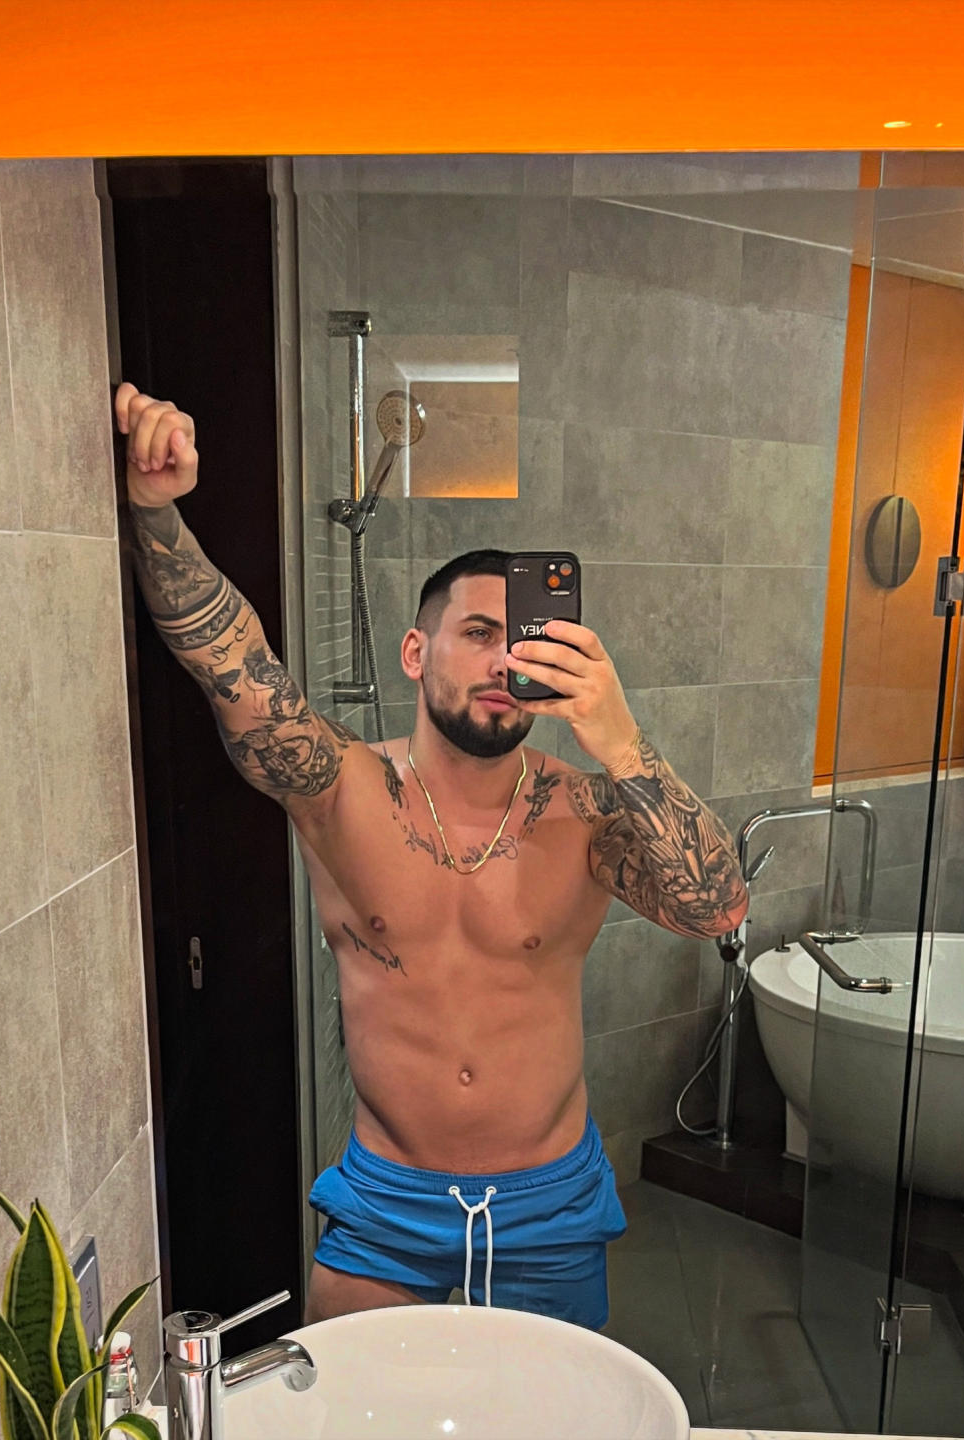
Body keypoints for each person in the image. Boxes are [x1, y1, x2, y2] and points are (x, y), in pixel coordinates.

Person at [115, 382, 748, 1329]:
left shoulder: (585, 810)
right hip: (388, 1206)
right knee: (355, 1402)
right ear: (416, 653)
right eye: (477, 634)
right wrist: (157, 510)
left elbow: (719, 909)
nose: (501, 663)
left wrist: (621, 741)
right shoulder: (341, 790)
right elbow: (231, 663)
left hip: (549, 1203)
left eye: (522, 641)